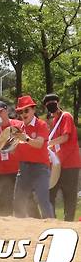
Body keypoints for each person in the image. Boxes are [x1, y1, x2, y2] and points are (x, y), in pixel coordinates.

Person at [12, 95, 54, 219]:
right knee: (18, 201)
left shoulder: (41, 125)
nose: (23, 113)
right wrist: (7, 147)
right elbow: (15, 152)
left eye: (26, 110)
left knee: (43, 201)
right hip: (24, 168)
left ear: (33, 110)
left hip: (40, 169)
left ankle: (52, 227)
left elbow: (39, 144)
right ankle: (18, 230)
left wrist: (25, 138)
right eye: (20, 111)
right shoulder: (19, 129)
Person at [44, 93, 80, 221]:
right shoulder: (54, 122)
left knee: (69, 196)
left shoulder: (66, 117)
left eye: (52, 102)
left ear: (58, 103)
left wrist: (47, 143)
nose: (51, 105)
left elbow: (65, 137)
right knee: (50, 192)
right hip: (58, 164)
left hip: (70, 164)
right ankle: (52, 220)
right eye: (48, 104)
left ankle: (68, 223)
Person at [0, 100, 24, 216]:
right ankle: (2, 224)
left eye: (0, 112)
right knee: (3, 199)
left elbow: (26, 144)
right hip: (2, 171)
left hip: (19, 170)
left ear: (6, 111)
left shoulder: (18, 125)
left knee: (21, 199)